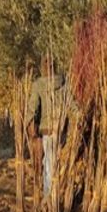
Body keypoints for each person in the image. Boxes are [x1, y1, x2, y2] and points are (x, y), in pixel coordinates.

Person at [26, 57, 71, 199]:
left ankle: (49, 196)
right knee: (50, 160)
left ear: (43, 68)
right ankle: (52, 192)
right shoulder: (63, 82)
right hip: (61, 128)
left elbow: (32, 108)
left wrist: (27, 122)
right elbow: (72, 103)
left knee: (49, 163)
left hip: (48, 130)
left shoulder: (39, 84)